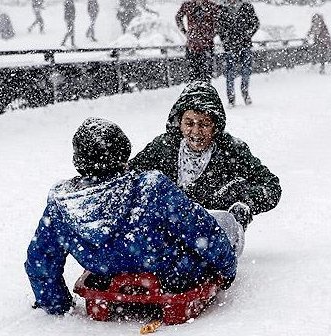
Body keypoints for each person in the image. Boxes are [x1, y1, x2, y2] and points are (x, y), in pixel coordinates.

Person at [25, 118, 238, 315]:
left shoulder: (63, 202)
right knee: (224, 221)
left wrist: (55, 303)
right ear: (123, 151)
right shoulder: (150, 187)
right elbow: (201, 230)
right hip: (171, 271)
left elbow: (41, 259)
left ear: (78, 159)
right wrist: (226, 271)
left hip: (105, 271)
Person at [128, 81, 282, 230]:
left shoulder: (231, 150)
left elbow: (270, 186)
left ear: (215, 126)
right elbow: (129, 177)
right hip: (165, 234)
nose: (196, 131)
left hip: (214, 235)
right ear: (179, 123)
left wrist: (245, 204)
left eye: (204, 124)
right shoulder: (163, 147)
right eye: (189, 123)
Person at [217, 0, 259, 106]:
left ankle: (245, 92)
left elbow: (255, 23)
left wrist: (247, 35)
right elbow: (219, 27)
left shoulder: (247, 7)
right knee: (230, 72)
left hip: (245, 45)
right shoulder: (223, 9)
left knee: (246, 71)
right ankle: (231, 98)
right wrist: (225, 39)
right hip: (230, 47)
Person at [176, 0, 222, 82]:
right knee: (193, 75)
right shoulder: (188, 5)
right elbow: (178, 17)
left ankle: (204, 92)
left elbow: (220, 20)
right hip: (193, 46)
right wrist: (185, 32)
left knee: (206, 75)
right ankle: (196, 93)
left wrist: (212, 34)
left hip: (206, 46)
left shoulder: (210, 6)